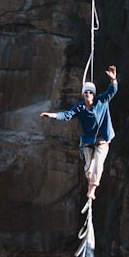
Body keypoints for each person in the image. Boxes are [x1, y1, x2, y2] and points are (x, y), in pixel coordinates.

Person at [41, 65, 118, 200]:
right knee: (89, 169)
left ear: (94, 94)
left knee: (98, 165)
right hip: (88, 140)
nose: (88, 94)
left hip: (103, 139)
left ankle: (92, 189)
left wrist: (113, 80)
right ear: (83, 94)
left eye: (90, 92)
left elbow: (112, 91)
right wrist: (53, 116)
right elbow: (67, 115)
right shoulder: (80, 108)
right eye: (86, 92)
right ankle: (90, 182)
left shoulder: (101, 101)